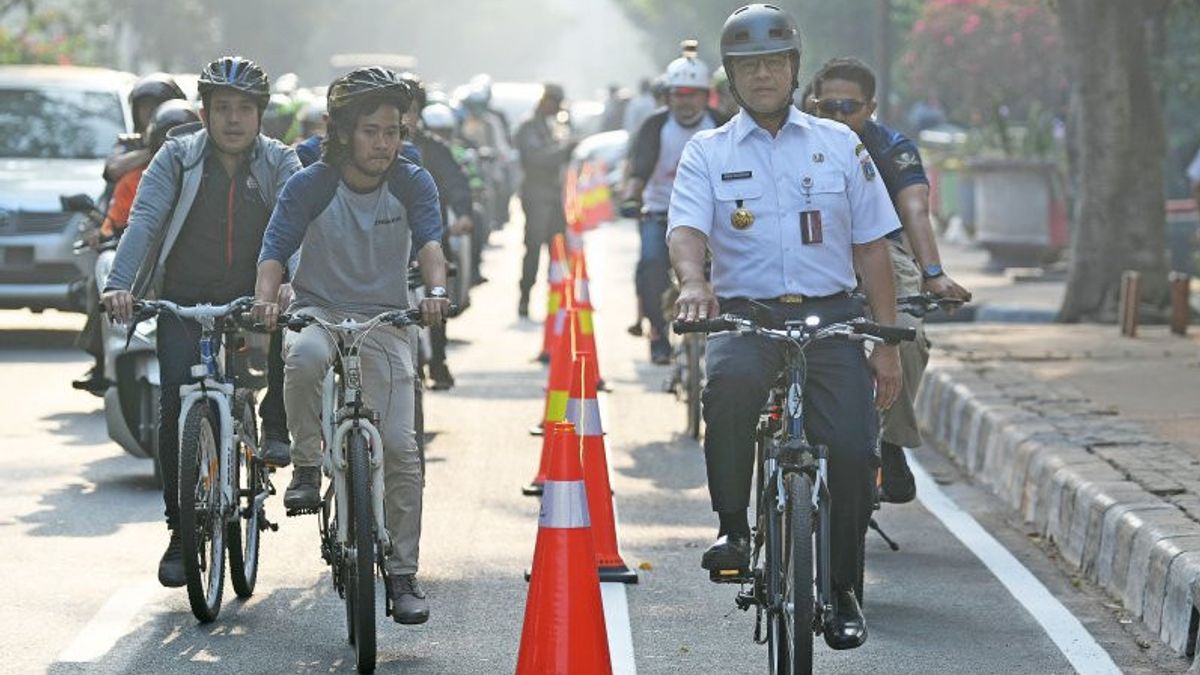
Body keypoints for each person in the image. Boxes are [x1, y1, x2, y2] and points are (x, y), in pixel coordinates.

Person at [668, 4, 902, 650]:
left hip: (831, 314)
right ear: (732, 77)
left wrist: (885, 341)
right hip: (748, 315)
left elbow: (873, 248)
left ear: (795, 69)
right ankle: (735, 528)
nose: (764, 75)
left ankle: (845, 587)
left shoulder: (838, 144)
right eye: (750, 66)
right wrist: (694, 282)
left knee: (855, 448)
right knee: (729, 390)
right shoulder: (708, 152)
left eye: (775, 62)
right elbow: (685, 229)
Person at [253, 66, 449, 625]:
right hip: (318, 311)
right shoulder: (310, 183)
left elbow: (431, 245)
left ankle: (404, 574)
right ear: (341, 132)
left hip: (387, 319)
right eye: (370, 131)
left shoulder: (413, 182)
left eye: (392, 131)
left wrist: (435, 292)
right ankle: (308, 466)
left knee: (403, 451)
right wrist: (267, 300)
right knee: (307, 356)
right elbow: (274, 251)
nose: (383, 143)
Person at [101, 56, 299, 589]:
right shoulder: (177, 157)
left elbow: (300, 226)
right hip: (184, 298)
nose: (233, 120)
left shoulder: (280, 163)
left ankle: (275, 422)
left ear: (260, 115)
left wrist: (288, 287)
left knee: (288, 332)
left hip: (253, 295)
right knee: (175, 405)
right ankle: (180, 531)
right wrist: (121, 285)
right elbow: (143, 221)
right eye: (222, 108)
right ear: (205, 113)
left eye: (244, 109)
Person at [811, 57, 972, 504]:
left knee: (907, 336)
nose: (839, 117)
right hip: (809, 254)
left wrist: (933, 274)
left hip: (884, 253)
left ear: (871, 107)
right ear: (812, 104)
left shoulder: (893, 148)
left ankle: (890, 442)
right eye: (828, 107)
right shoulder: (789, 140)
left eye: (850, 107)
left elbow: (915, 210)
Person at [73, 73, 189, 392]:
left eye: (158, 106)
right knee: (104, 278)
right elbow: (113, 172)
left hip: (185, 244)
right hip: (126, 231)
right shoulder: (131, 148)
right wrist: (156, 149)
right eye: (145, 107)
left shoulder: (201, 150)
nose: (150, 113)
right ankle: (106, 361)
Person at [622, 49, 728, 364]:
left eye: (693, 95)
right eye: (678, 94)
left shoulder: (721, 125)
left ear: (705, 96)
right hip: (660, 213)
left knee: (730, 270)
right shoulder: (654, 126)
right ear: (668, 97)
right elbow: (639, 171)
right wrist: (631, 197)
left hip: (711, 218)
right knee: (652, 264)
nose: (685, 102)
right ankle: (657, 331)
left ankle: (724, 334)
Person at [399, 73, 474, 390]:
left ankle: (439, 360)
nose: (404, 119)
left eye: (410, 110)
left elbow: (458, 185)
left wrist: (464, 215)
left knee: (435, 296)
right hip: (381, 244)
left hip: (428, 240)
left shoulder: (435, 151)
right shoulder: (360, 151)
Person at [514, 83, 575, 318]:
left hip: (554, 193)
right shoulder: (529, 126)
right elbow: (535, 158)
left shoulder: (555, 124)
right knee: (533, 248)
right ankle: (525, 297)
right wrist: (563, 151)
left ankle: (556, 298)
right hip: (536, 193)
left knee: (557, 247)